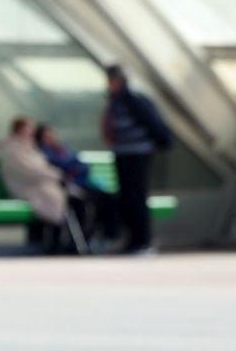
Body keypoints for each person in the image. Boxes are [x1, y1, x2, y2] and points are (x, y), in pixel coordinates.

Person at [100, 65, 173, 255]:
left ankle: (143, 241)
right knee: (127, 197)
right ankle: (133, 240)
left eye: (111, 80)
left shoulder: (132, 100)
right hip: (123, 153)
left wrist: (161, 142)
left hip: (137, 154)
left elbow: (153, 124)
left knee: (136, 197)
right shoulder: (116, 101)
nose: (109, 84)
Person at [36, 121, 119, 245]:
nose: (51, 137)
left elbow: (82, 166)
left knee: (110, 198)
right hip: (67, 187)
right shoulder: (43, 152)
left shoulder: (62, 149)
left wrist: (73, 168)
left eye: (52, 134)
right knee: (82, 203)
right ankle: (82, 241)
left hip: (81, 183)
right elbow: (62, 165)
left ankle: (106, 235)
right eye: (47, 136)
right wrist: (72, 168)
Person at [0, 117, 70, 239]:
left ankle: (61, 239)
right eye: (28, 129)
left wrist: (54, 175)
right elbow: (27, 170)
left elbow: (41, 167)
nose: (31, 132)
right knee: (55, 197)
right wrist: (56, 175)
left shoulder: (30, 147)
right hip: (24, 186)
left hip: (38, 185)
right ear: (18, 130)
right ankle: (56, 240)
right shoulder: (12, 149)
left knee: (67, 198)